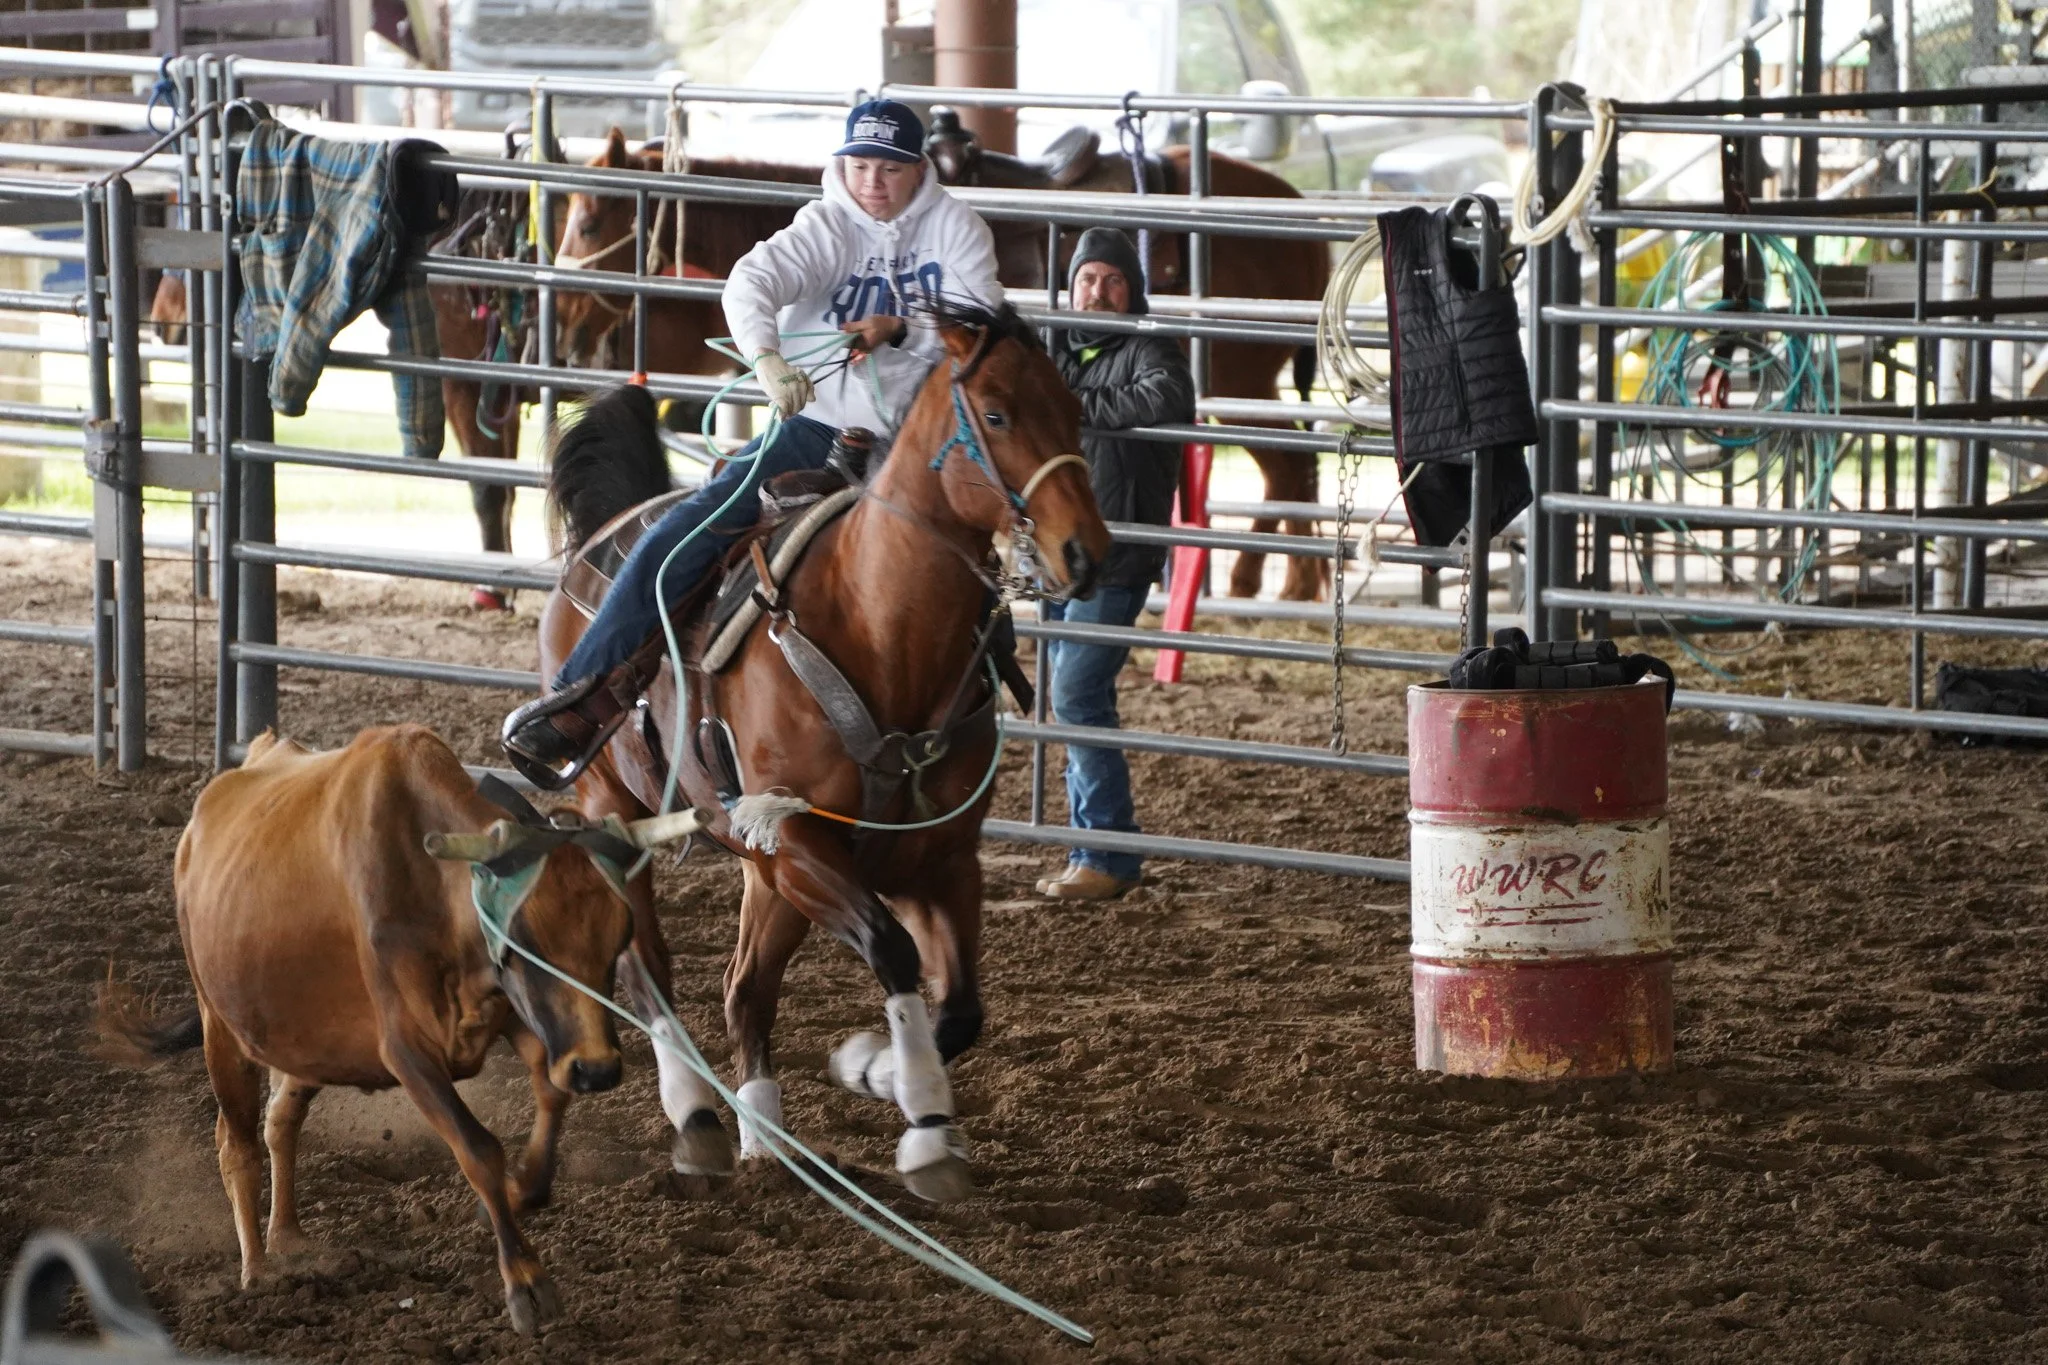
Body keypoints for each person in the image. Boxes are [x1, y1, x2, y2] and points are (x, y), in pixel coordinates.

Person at [503, 99, 1002, 785]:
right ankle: (578, 692)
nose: (873, 183)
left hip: (920, 446)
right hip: (817, 428)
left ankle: (973, 714)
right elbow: (752, 282)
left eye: (889, 169)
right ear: (843, 166)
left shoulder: (957, 229)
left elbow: (981, 316)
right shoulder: (826, 226)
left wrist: (905, 327)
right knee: (689, 531)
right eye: (860, 166)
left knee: (976, 563)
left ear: (918, 170)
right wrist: (768, 359)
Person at [1035, 228, 1194, 901]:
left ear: (1133, 291)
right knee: (1074, 698)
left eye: (1112, 280)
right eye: (1088, 279)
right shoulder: (1050, 351)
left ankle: (1106, 851)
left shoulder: (1150, 348)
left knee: (1074, 695)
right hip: (1053, 553)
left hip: (1118, 553)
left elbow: (1164, 398)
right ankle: (1093, 850)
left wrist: (1066, 410)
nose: (1097, 292)